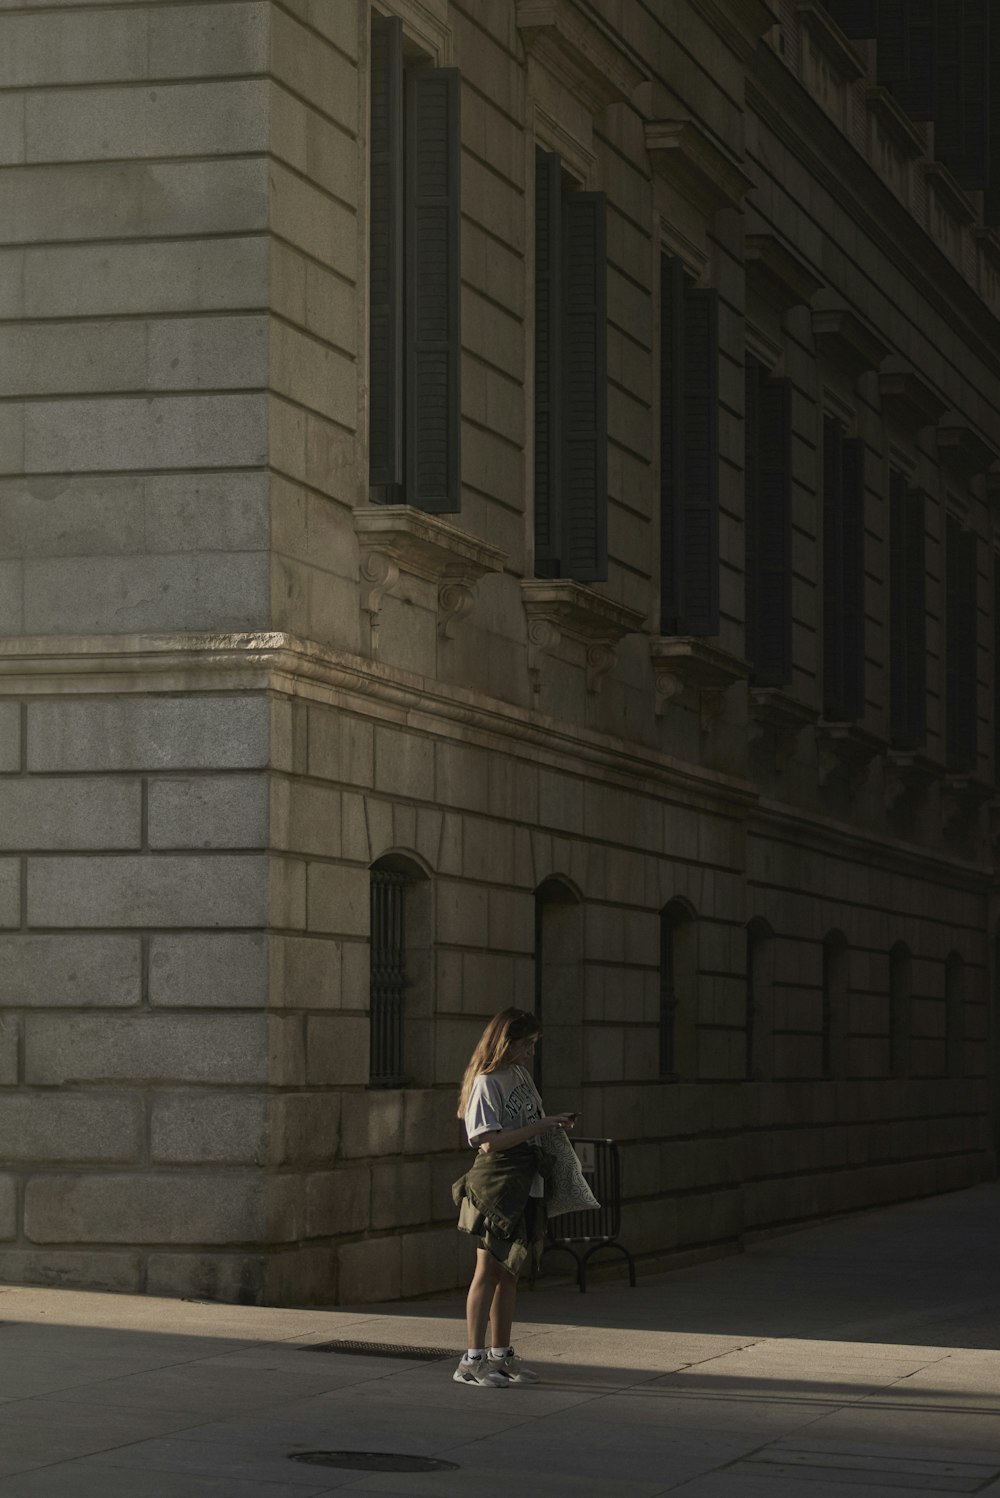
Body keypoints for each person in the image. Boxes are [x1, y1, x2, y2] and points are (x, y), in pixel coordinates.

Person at [451, 1007, 574, 1387]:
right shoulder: (487, 1082)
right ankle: (471, 1362)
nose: (531, 1052)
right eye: (527, 1044)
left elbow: (524, 1121)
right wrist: (539, 1125)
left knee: (510, 1272)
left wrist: (550, 1121)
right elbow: (488, 1142)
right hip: (498, 1185)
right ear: (508, 1042)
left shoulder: (519, 1074)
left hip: (525, 1181)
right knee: (487, 1271)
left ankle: (500, 1356)